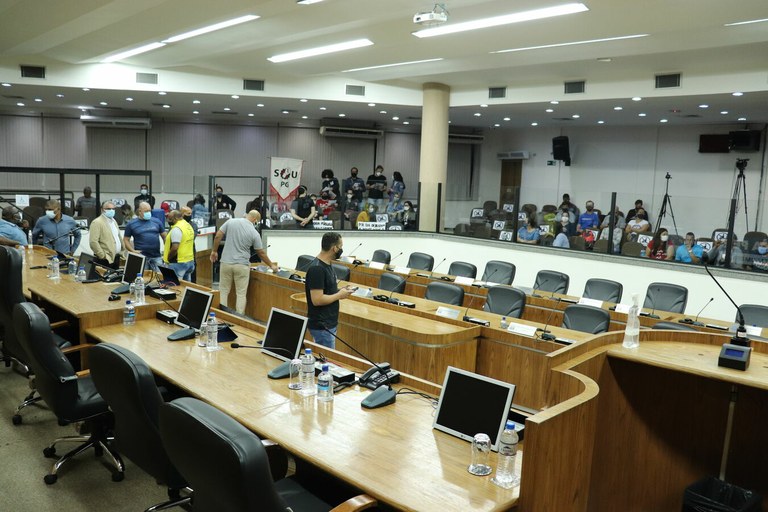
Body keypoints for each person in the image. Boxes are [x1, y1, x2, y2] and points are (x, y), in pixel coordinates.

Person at [210, 210, 277, 314]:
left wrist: (214, 251)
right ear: (255, 220)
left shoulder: (231, 221)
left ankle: (222, 316)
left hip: (226, 263)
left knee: (223, 291)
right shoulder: (254, 233)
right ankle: (239, 318)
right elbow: (260, 252)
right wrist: (271, 265)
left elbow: (218, 236)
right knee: (241, 294)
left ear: (247, 215)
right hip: (242, 265)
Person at [304, 232, 356, 348]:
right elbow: (317, 300)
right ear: (334, 248)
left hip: (328, 324)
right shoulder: (317, 269)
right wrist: (339, 295)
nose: (341, 250)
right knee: (325, 358)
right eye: (340, 247)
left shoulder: (327, 264)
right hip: (322, 326)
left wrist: (341, 290)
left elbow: (326, 290)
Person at [123, 201, 167, 272]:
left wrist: (167, 250)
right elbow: (126, 240)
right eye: (146, 211)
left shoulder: (157, 221)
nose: (148, 213)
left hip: (156, 256)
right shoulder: (131, 224)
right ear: (140, 211)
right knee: (142, 276)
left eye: (149, 211)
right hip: (141, 257)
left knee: (159, 276)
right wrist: (132, 251)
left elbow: (165, 237)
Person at [89, 201, 123, 269]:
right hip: (105, 259)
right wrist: (103, 255)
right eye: (108, 209)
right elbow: (93, 242)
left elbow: (118, 237)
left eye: (113, 209)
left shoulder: (114, 221)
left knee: (115, 276)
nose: (111, 210)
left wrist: (122, 251)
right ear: (102, 210)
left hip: (116, 257)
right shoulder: (97, 222)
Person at [163, 210, 196, 281]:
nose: (168, 221)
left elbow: (175, 248)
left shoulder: (177, 229)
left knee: (173, 285)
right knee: (186, 285)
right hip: (189, 261)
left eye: (170, 219)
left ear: (175, 219)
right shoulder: (188, 226)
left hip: (178, 262)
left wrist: (168, 258)